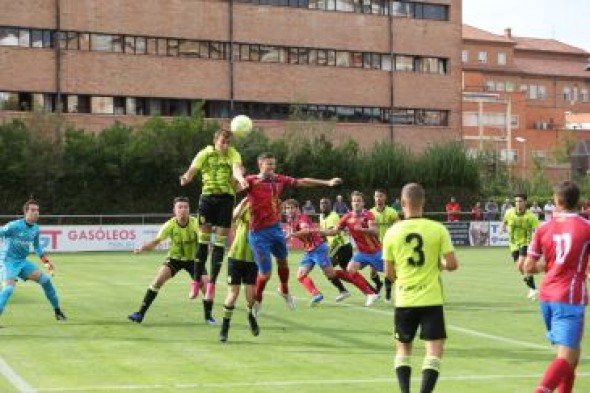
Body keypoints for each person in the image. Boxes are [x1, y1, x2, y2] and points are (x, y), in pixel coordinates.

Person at [245, 152, 342, 316]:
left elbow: (302, 181)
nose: (272, 168)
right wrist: (237, 174)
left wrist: (327, 182)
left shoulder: (279, 179)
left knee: (283, 262)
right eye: (269, 164)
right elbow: (232, 186)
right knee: (265, 273)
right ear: (260, 164)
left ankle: (284, 289)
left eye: (274, 165)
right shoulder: (250, 181)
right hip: (258, 234)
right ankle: (258, 300)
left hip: (275, 229)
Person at [382, 183, 458, 393]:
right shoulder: (437, 229)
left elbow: (388, 274)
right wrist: (438, 265)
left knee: (403, 348)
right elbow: (451, 264)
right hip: (431, 299)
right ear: (423, 202)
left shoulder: (392, 232)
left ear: (402, 203)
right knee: (434, 350)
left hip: (405, 299)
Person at [524, 181, 590, 393]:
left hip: (547, 297)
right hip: (569, 297)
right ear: (578, 201)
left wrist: (545, 264)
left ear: (557, 201)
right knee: (567, 356)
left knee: (573, 354)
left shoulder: (544, 228)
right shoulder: (586, 228)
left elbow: (528, 267)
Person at [180, 128, 248, 325]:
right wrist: (186, 177)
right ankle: (195, 281)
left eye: (228, 141)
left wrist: (241, 178)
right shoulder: (205, 153)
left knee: (219, 246)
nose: (225, 145)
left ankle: (211, 285)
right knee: (203, 244)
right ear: (215, 140)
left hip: (226, 200)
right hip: (207, 199)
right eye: (223, 141)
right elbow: (192, 170)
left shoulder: (233, 153)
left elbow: (236, 168)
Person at [128, 197, 208, 324]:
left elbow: (204, 241)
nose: (183, 210)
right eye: (180, 207)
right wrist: (142, 248)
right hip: (174, 259)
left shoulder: (195, 223)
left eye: (185, 207)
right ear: (174, 210)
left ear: (189, 210)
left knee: (206, 287)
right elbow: (156, 242)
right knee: (157, 281)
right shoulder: (169, 225)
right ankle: (140, 314)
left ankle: (208, 317)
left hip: (194, 260)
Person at [0, 199, 67, 322]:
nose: (36, 213)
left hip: (22, 262)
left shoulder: (35, 228)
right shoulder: (14, 226)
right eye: (33, 210)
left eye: (37, 210)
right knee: (9, 289)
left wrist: (47, 263)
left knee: (46, 280)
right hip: (7, 262)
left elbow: (37, 247)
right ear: (25, 212)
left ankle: (57, 311)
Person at [321, 191, 382, 307]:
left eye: (359, 201)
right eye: (354, 201)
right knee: (350, 269)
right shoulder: (347, 217)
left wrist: (362, 230)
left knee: (392, 275)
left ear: (363, 203)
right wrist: (318, 232)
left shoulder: (368, 215)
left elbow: (375, 230)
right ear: (351, 203)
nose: (356, 203)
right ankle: (370, 294)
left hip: (376, 252)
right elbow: (334, 231)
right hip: (362, 253)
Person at [284, 199, 349, 306]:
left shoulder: (302, 218)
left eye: (292, 208)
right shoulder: (291, 220)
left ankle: (345, 289)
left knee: (330, 274)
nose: (289, 210)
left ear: (297, 209)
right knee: (300, 275)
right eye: (287, 208)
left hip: (318, 248)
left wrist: (291, 235)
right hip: (309, 250)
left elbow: (305, 230)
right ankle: (316, 294)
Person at [219, 198, 259, 343]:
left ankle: (251, 316)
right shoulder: (246, 204)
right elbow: (231, 218)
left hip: (253, 258)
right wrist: (242, 203)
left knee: (251, 295)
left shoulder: (267, 209)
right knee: (233, 293)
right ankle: (224, 328)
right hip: (235, 256)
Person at [501, 194, 540, 300]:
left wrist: (537, 241)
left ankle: (533, 286)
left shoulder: (531, 216)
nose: (518, 203)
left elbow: (538, 230)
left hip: (526, 243)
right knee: (520, 268)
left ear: (525, 202)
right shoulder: (509, 212)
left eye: (520, 201)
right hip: (513, 244)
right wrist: (502, 227)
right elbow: (504, 221)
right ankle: (533, 288)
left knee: (522, 263)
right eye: (516, 201)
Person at [319, 197, 352, 301]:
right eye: (321, 203)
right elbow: (324, 235)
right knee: (349, 272)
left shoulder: (334, 216)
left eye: (326, 203)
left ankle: (343, 291)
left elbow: (333, 232)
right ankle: (370, 289)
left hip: (342, 246)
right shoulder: (321, 216)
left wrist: (316, 233)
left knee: (326, 267)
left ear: (330, 206)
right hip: (335, 247)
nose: (323, 205)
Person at [370, 188, 400, 303]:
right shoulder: (370, 213)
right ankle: (378, 284)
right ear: (374, 198)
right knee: (373, 271)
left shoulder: (391, 211)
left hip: (389, 246)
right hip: (375, 246)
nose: (378, 198)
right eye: (376, 196)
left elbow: (399, 225)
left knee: (389, 271)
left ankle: (387, 293)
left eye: (381, 196)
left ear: (385, 197)